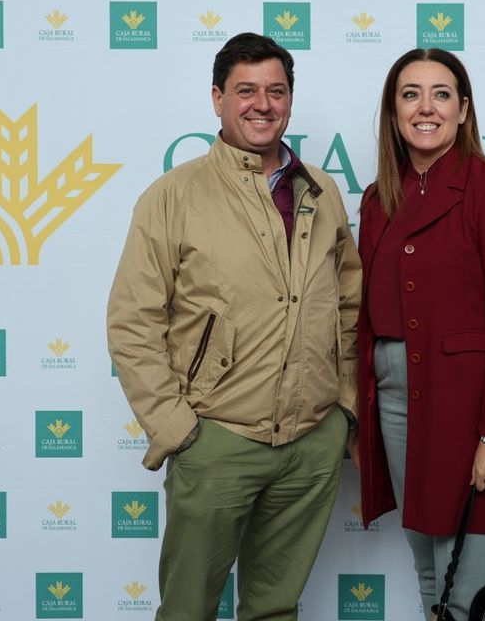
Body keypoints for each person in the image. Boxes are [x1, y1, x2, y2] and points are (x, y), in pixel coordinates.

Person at [107, 32, 362, 621]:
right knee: (187, 610)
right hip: (216, 439)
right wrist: (177, 428)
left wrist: (344, 409)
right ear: (218, 98)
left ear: (290, 101)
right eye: (246, 90)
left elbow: (350, 306)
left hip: (311, 442)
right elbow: (132, 321)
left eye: (276, 91)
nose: (262, 104)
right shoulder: (173, 195)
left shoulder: (321, 190)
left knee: (275, 610)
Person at [356, 48, 485, 620]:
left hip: (466, 402)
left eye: (441, 94)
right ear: (393, 112)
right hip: (394, 397)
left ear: (463, 110)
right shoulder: (378, 200)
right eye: (410, 94)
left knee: (464, 586)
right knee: (428, 570)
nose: (426, 108)